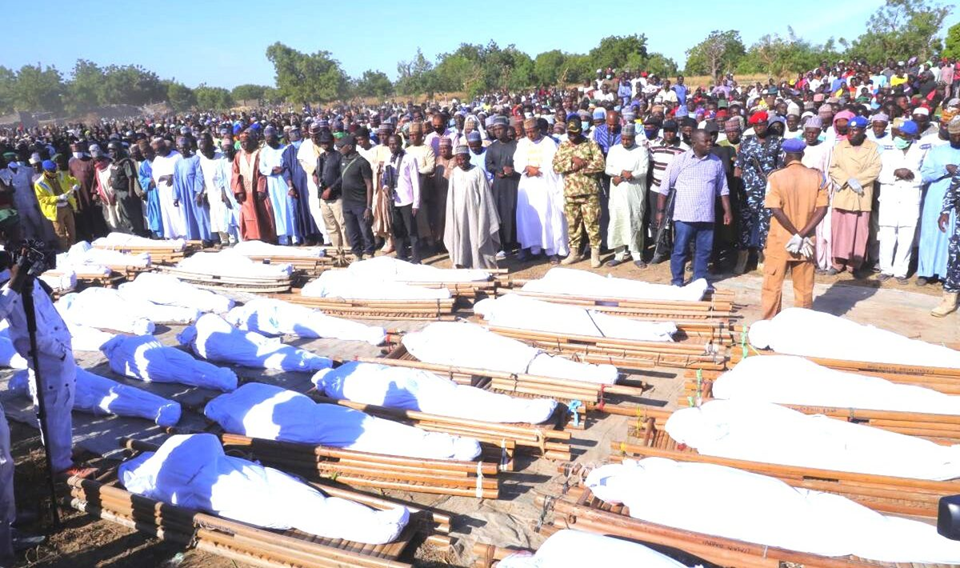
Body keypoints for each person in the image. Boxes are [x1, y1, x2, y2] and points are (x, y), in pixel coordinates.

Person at [0, 215, 78, 479]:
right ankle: (61, 463)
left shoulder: (20, 268)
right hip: (46, 352)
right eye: (16, 230)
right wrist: (57, 351)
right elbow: (21, 325)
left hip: (54, 347)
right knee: (53, 407)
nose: (23, 234)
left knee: (61, 405)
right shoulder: (9, 277)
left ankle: (62, 455)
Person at [760, 139, 828, 320]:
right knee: (804, 287)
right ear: (802, 155)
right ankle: (802, 324)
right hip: (806, 242)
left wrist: (795, 234)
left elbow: (775, 209)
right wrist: (802, 235)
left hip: (781, 240)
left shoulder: (775, 177)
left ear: (785, 155)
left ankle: (769, 322)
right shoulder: (817, 177)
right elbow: (822, 209)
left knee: (772, 284)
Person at [658, 130, 732, 287]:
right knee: (680, 250)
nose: (710, 143)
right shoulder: (680, 160)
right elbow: (664, 188)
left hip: (706, 216)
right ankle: (677, 281)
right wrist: (660, 212)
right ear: (694, 143)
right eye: (706, 141)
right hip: (684, 216)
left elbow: (723, 189)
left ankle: (699, 280)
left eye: (710, 140)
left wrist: (727, 211)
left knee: (704, 251)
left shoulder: (716, 162)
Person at [828, 116, 882, 276]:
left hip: (861, 194)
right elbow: (833, 168)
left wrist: (858, 181)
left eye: (855, 130)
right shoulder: (840, 146)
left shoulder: (873, 148)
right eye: (849, 130)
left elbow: (876, 168)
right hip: (843, 193)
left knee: (859, 231)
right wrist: (847, 180)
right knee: (839, 230)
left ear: (863, 131)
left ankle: (855, 264)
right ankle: (838, 262)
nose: (851, 133)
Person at [734, 111, 783, 274]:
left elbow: (780, 168)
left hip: (768, 191)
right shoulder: (746, 142)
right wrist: (736, 186)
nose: (759, 128)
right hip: (747, 192)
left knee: (766, 225)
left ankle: (763, 258)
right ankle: (743, 257)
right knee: (744, 225)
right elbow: (738, 166)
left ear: (766, 124)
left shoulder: (776, 142)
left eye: (762, 124)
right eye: (756, 125)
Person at [876, 120, 925, 283]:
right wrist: (895, 173)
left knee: (906, 237)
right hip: (889, 197)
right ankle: (885, 269)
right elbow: (878, 173)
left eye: (904, 136)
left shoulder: (922, 149)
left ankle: (900, 272)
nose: (899, 138)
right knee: (887, 235)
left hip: (910, 198)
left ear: (912, 136)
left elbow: (926, 174)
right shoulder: (886, 149)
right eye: (898, 134)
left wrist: (911, 174)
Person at [553, 117, 605, 267]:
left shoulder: (591, 144)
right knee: (573, 225)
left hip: (589, 192)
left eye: (575, 133)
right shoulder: (563, 146)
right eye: (569, 133)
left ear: (581, 131)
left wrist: (583, 163)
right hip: (571, 193)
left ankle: (595, 254)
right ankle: (574, 253)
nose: (572, 136)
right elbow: (556, 167)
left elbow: (600, 164)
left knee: (592, 224)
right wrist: (571, 163)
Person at [514, 118, 567, 263]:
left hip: (544, 184)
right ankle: (534, 249)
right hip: (528, 185)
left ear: (539, 130)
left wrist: (538, 171)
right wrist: (527, 168)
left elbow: (553, 164)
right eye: (527, 132)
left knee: (546, 216)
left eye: (532, 132)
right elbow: (517, 162)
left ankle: (551, 250)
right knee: (530, 217)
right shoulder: (522, 143)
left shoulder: (549, 143)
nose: (530, 135)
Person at [920, 118, 960, 302]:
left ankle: (947, 274)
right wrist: (944, 169)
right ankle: (926, 271)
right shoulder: (937, 151)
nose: (956, 138)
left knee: (952, 237)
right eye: (954, 135)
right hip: (936, 198)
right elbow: (925, 174)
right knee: (931, 234)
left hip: (956, 201)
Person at [444, 144, 500, 269]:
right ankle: (462, 262)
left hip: (476, 213)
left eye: (463, 159)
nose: (461, 162)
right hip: (459, 214)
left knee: (476, 237)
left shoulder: (478, 171)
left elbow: (485, 195)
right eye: (458, 159)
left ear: (469, 158)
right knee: (461, 237)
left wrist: (483, 214)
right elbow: (451, 197)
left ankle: (480, 264)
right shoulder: (454, 173)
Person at [604, 123, 649, 268]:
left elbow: (644, 170)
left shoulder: (641, 151)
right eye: (623, 139)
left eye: (628, 139)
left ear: (633, 138)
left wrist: (628, 175)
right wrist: (621, 173)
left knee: (635, 221)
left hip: (634, 192)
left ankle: (636, 255)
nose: (625, 142)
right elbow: (608, 169)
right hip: (617, 193)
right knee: (617, 221)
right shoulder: (614, 150)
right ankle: (619, 254)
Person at [800, 117, 835, 273]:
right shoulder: (800, 147)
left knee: (821, 228)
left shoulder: (827, 148)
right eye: (808, 132)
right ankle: (805, 259)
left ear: (820, 132)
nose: (811, 135)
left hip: (821, 191)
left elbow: (829, 171)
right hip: (802, 193)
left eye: (814, 133)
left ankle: (822, 261)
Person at [231, 129, 276, 242]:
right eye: (241, 143)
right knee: (248, 215)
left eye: (246, 142)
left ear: (252, 141)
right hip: (245, 193)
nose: (244, 145)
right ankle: (251, 237)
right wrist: (239, 190)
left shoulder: (259, 153)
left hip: (258, 192)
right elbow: (235, 174)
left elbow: (262, 172)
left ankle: (266, 237)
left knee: (263, 213)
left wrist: (261, 188)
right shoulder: (238, 156)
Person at [485, 116, 520, 259]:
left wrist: (513, 170)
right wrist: (497, 170)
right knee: (501, 213)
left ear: (506, 129)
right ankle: (505, 246)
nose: (498, 132)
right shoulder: (491, 147)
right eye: (495, 129)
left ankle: (518, 244)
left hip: (514, 183)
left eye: (500, 129)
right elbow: (488, 164)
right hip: (499, 185)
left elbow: (522, 162)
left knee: (515, 211)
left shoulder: (516, 145)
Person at [383, 134, 421, 263]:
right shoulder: (388, 158)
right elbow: (385, 177)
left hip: (407, 200)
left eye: (395, 144)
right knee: (397, 231)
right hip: (394, 200)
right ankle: (401, 257)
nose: (392, 146)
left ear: (400, 144)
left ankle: (416, 259)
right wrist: (385, 187)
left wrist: (416, 203)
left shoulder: (409, 158)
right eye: (390, 144)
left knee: (412, 232)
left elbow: (415, 181)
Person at [259, 126, 300, 245]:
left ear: (275, 137)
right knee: (277, 209)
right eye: (267, 138)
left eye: (271, 138)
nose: (268, 140)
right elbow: (262, 168)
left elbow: (289, 165)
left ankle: (295, 236)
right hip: (272, 183)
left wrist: (282, 169)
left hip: (285, 181)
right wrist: (271, 170)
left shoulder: (285, 149)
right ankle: (283, 237)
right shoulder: (264, 151)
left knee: (290, 208)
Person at [337, 135, 375, 261]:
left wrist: (369, 207)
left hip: (360, 203)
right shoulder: (342, 160)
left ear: (350, 147)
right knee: (352, 231)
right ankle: (357, 254)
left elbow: (369, 185)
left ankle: (370, 253)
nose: (339, 149)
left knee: (365, 231)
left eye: (341, 147)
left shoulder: (362, 162)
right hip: (347, 203)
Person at [173, 137, 213, 244]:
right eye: (180, 148)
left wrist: (199, 192)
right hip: (184, 193)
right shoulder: (178, 162)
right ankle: (194, 237)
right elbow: (176, 179)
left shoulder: (196, 159)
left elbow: (199, 175)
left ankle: (206, 238)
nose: (183, 150)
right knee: (189, 215)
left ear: (189, 147)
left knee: (201, 214)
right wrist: (176, 196)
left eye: (185, 148)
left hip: (194, 192)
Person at [33, 160, 78, 251]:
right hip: (56, 210)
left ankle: (73, 249)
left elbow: (72, 179)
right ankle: (65, 251)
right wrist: (57, 198)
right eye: (52, 171)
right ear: (45, 171)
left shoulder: (60, 174)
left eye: (55, 170)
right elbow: (42, 199)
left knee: (71, 230)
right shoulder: (39, 183)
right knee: (60, 233)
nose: (54, 172)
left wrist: (77, 184)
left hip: (67, 206)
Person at [315, 131, 347, 257]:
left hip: (337, 196)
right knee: (331, 227)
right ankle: (337, 252)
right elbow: (319, 174)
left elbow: (342, 176)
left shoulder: (339, 156)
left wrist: (331, 189)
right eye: (322, 142)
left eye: (327, 142)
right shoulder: (320, 158)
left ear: (332, 142)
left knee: (343, 225)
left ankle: (348, 251)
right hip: (324, 198)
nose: (324, 144)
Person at [106, 141, 146, 236]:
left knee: (132, 215)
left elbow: (131, 178)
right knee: (124, 215)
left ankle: (138, 234)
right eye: (109, 151)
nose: (111, 153)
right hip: (117, 192)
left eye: (113, 151)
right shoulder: (114, 163)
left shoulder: (126, 162)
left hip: (126, 192)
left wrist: (130, 194)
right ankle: (131, 233)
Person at [150, 137, 183, 239]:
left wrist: (173, 177)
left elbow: (182, 171)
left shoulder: (177, 156)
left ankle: (184, 235)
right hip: (164, 191)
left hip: (177, 190)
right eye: (155, 151)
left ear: (164, 147)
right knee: (168, 213)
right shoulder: (157, 160)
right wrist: (165, 177)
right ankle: (171, 236)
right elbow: (156, 177)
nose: (157, 153)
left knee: (179, 212)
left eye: (159, 150)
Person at [136, 140, 163, 239]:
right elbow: (142, 179)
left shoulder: (160, 160)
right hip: (153, 193)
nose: (145, 155)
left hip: (162, 192)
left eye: (146, 152)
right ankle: (159, 235)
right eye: (143, 153)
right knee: (156, 215)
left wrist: (157, 179)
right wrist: (149, 181)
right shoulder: (144, 165)